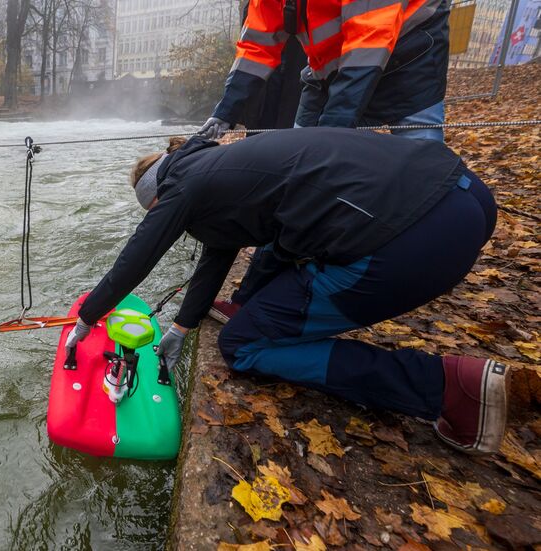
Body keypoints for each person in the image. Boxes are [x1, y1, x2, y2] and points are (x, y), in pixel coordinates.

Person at [64, 131, 507, 454]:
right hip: (466, 197)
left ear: (157, 199)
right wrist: (184, 324)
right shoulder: (219, 163)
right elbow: (220, 248)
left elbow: (139, 254)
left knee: (242, 345)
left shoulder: (184, 187)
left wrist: (89, 318)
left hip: (408, 240)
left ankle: (447, 387)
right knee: (279, 259)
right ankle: (248, 307)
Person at [198, 0, 450, 142]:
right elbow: (257, 44)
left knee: (421, 161)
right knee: (298, 151)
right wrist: (225, 111)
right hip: (327, 65)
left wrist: (331, 132)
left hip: (410, 55)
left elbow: (368, 39)